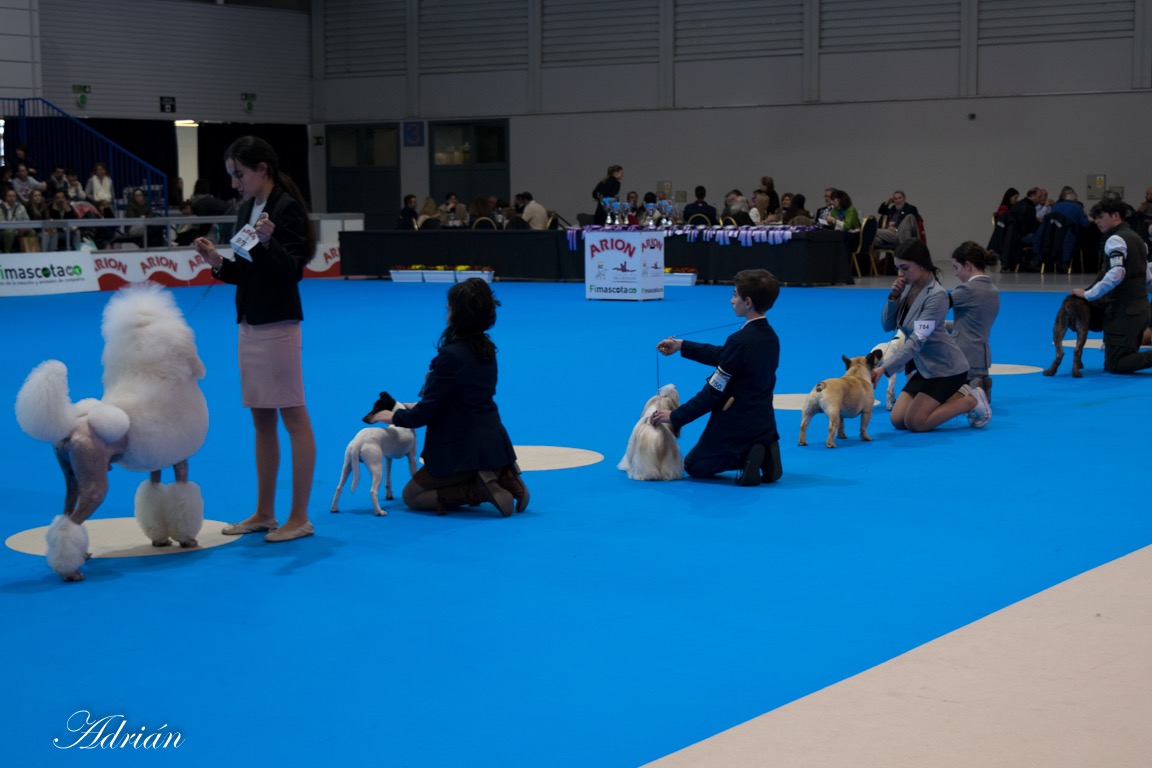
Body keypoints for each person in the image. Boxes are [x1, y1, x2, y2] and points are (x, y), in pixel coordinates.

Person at [192, 136, 317, 542]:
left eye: (239, 174)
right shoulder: (247, 209)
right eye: (232, 175)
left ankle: (299, 517)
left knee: (293, 418)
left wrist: (269, 242)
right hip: (249, 324)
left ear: (261, 169)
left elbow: (292, 270)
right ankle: (265, 512)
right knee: (261, 420)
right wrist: (217, 263)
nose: (234, 183)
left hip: (278, 326)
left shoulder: (286, 208)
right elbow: (245, 272)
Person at [365, 278, 529, 517]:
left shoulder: (451, 355)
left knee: (413, 496)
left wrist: (393, 416)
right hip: (495, 440)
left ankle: (480, 490)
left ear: (458, 314)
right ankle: (506, 475)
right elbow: (460, 397)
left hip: (461, 449)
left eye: (450, 307)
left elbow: (425, 414)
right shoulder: (486, 348)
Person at [650, 269, 784, 486]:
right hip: (764, 421)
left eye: (735, 295)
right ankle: (765, 446)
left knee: (694, 465)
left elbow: (712, 393)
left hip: (735, 422)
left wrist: (675, 416)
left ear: (747, 302)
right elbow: (726, 357)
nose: (732, 300)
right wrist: (682, 345)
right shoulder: (771, 337)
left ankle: (749, 455)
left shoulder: (739, 341)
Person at [870, 239, 991, 432]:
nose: (901, 274)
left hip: (947, 369)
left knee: (916, 423)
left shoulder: (937, 296)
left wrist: (884, 369)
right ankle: (954, 396)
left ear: (921, 264)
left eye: (905, 268)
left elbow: (917, 340)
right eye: (898, 268)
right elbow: (887, 325)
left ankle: (971, 400)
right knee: (898, 420)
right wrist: (893, 297)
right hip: (926, 368)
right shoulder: (907, 287)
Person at [1070, 197, 1152, 373]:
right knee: (1120, 358)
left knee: (1115, 364)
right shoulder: (1139, 240)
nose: (1096, 221)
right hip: (1141, 311)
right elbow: (1147, 278)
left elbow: (1117, 273)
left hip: (1124, 313)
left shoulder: (1115, 240)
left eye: (1100, 217)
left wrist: (1089, 294)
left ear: (1115, 216)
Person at [949, 242, 1000, 402]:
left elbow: (935, 305)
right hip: (982, 356)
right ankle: (980, 382)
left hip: (963, 355)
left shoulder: (966, 291)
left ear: (968, 265)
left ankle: (973, 388)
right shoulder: (993, 291)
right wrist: (943, 324)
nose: (956, 274)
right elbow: (970, 323)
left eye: (956, 268)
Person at [1, 188, 31, 253]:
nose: (11, 198)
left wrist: (25, 228)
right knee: (9, 232)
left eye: (13, 196)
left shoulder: (21, 207)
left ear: (16, 197)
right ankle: (7, 253)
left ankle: (30, 253)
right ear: (5, 197)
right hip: (4, 231)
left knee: (32, 232)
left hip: (19, 230)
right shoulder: (1, 208)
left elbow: (27, 220)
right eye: (9, 196)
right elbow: (2, 224)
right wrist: (17, 230)